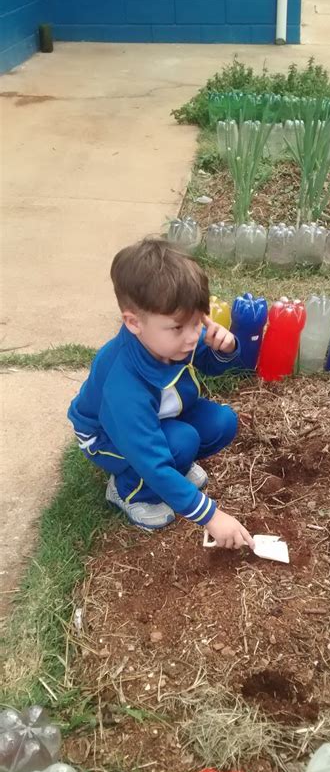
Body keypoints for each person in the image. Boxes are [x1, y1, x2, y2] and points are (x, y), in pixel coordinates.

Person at [68, 236, 254, 550]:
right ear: (134, 323)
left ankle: (176, 467)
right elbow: (148, 458)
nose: (194, 336)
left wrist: (225, 347)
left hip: (162, 414)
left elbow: (206, 361)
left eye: (199, 322)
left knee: (221, 421)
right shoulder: (122, 384)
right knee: (178, 444)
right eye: (180, 327)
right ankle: (128, 492)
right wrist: (211, 516)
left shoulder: (173, 337)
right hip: (107, 437)